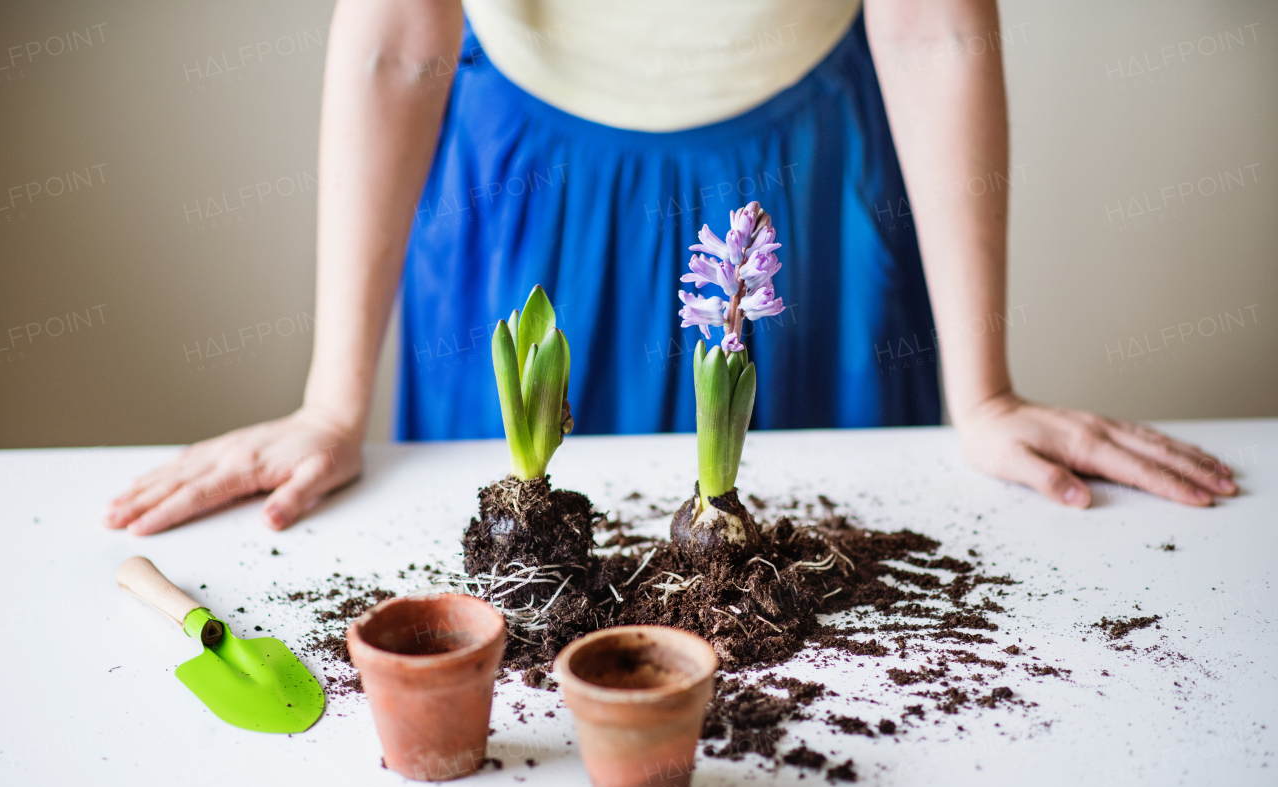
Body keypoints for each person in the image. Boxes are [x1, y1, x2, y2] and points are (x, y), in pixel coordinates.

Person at [104, 0, 1236, 536]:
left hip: (806, 172)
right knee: (519, 584)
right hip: (523, 184)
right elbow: (401, 42)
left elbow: (933, 26)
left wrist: (982, 393)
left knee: (810, 587)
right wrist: (330, 403)